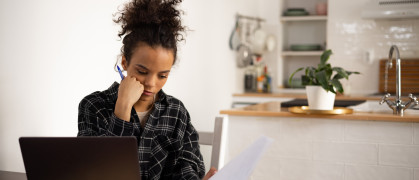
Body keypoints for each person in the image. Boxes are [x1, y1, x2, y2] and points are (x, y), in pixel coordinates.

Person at [77, 0, 216, 179]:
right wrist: (123, 107)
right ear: (125, 62)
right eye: (142, 72)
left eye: (162, 75)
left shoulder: (176, 112)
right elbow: (99, 171)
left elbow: (187, 168)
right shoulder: (94, 106)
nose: (151, 83)